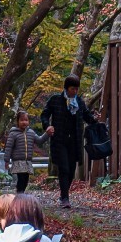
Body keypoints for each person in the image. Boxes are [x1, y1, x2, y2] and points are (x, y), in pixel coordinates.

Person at [38, 75, 89, 209]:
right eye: (73, 88)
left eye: (77, 89)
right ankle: (64, 197)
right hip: (59, 139)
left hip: (74, 140)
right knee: (64, 167)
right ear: (66, 88)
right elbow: (45, 114)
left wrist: (95, 118)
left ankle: (64, 194)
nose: (75, 91)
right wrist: (47, 126)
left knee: (71, 169)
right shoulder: (55, 100)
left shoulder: (79, 102)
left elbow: (86, 116)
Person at [3, 110, 44, 193]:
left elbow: (39, 140)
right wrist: (6, 160)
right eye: (22, 120)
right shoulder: (13, 133)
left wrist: (47, 134)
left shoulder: (31, 133)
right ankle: (19, 195)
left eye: (26, 120)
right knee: (21, 179)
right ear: (17, 121)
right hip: (18, 161)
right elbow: (8, 147)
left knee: (25, 179)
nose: (24, 122)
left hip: (27, 161)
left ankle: (21, 195)